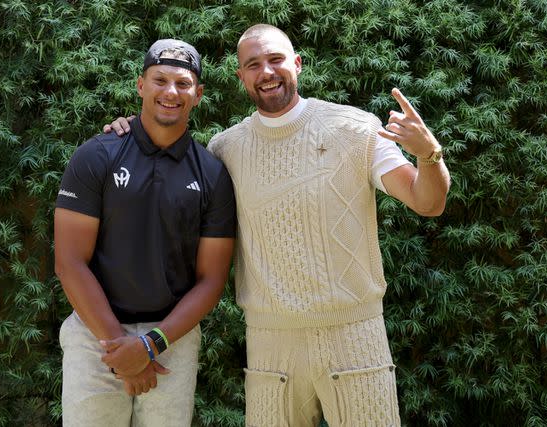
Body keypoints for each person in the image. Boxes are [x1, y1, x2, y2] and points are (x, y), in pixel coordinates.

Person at [106, 24, 450, 427]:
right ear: (241, 77)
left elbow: (427, 203)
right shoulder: (225, 151)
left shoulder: (355, 129)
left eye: (275, 60)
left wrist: (429, 154)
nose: (266, 72)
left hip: (356, 337)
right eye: (253, 65)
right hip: (270, 345)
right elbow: (161, 169)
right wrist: (126, 133)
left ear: (297, 64)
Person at [54, 39, 236, 427]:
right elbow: (69, 262)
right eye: (160, 80)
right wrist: (122, 350)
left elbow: (212, 279)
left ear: (198, 94)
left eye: (183, 84)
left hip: (171, 339)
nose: (171, 92)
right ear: (140, 85)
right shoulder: (96, 155)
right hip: (95, 336)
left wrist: (149, 345)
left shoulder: (213, 174)